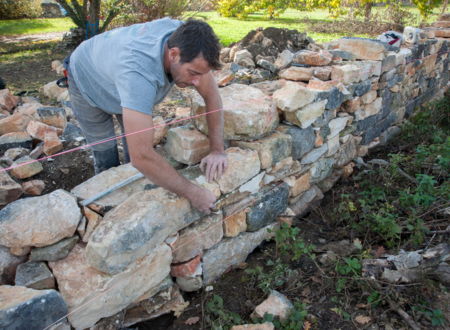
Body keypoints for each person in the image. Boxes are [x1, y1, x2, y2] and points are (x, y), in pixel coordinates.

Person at [66, 18, 227, 214]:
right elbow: (141, 156)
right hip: (86, 76)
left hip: (118, 72)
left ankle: (133, 192)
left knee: (133, 147)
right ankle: (106, 210)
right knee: (105, 149)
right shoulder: (138, 74)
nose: (197, 82)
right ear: (173, 54)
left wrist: (218, 150)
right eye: (193, 73)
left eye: (202, 74)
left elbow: (212, 96)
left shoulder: (188, 40)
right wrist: (194, 193)